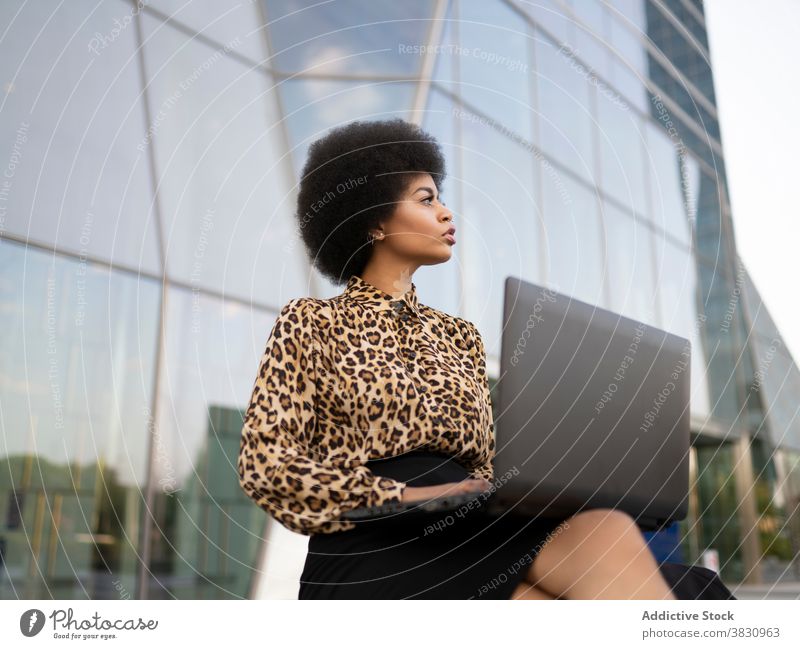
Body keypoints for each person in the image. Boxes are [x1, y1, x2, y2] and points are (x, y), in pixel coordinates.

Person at [237, 118, 676, 600]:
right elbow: (267, 465)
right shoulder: (312, 321)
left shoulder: (461, 336)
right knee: (598, 545)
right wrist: (406, 496)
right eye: (427, 200)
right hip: (374, 538)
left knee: (605, 547)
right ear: (374, 221)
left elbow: (487, 467)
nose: (447, 214)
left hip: (474, 523)